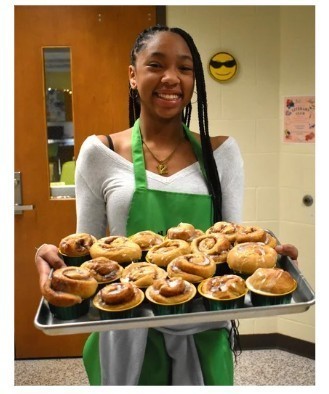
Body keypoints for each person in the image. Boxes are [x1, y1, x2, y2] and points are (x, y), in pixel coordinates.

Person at [33, 25, 298, 385]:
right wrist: (51, 256)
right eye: (156, 65)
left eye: (185, 68)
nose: (171, 78)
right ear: (132, 75)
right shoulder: (100, 153)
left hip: (201, 330)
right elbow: (89, 254)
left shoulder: (221, 153)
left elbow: (235, 249)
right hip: (125, 330)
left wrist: (271, 255)